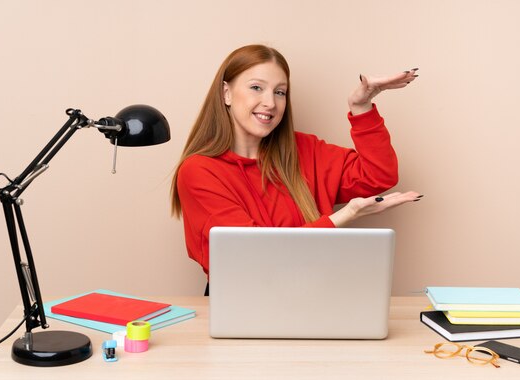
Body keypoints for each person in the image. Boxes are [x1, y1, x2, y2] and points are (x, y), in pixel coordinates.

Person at [170, 44, 422, 291]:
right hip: (244, 298)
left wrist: (361, 108)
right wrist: (343, 217)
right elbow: (248, 257)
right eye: (256, 88)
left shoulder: (303, 149)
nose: (270, 102)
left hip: (315, 292)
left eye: (280, 92)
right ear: (226, 93)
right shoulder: (199, 170)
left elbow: (378, 175)